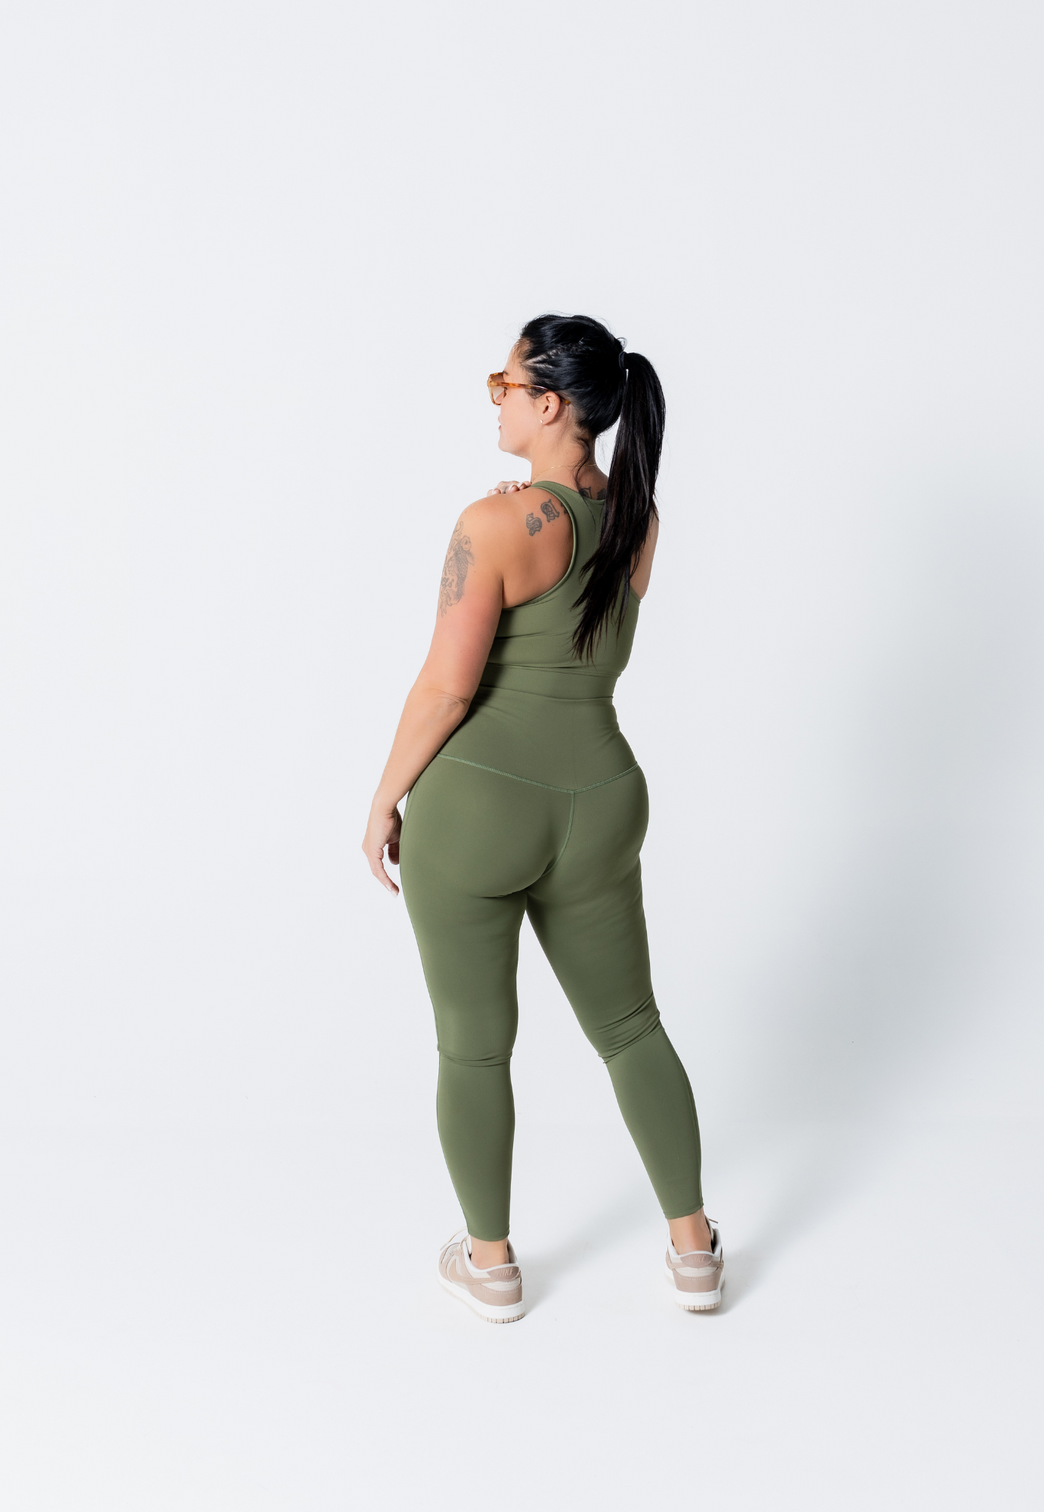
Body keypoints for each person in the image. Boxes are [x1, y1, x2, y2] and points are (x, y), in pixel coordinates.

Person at [362, 314, 722, 1322]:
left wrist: (385, 797)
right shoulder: (640, 519)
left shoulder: (494, 524)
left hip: (479, 806)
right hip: (601, 799)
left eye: (506, 384)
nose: (497, 400)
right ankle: (694, 1249)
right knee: (632, 1028)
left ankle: (491, 1267)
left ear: (551, 404)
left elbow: (447, 689)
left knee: (475, 1046)